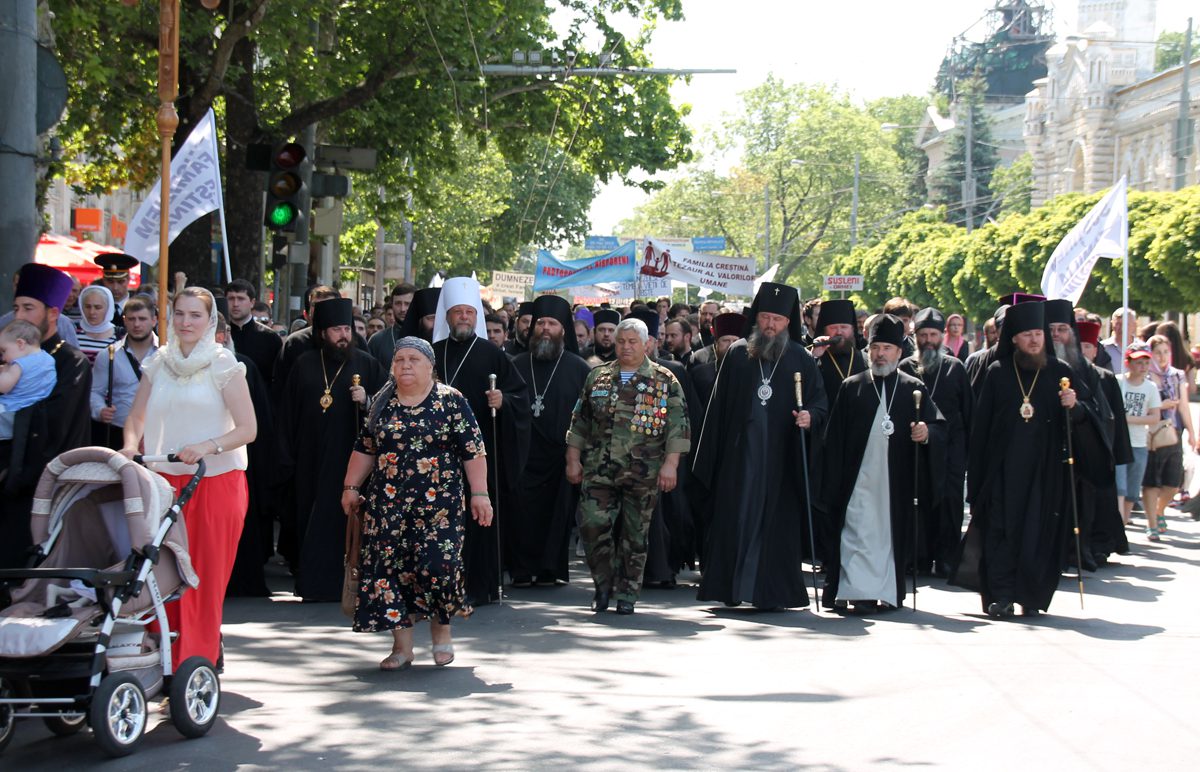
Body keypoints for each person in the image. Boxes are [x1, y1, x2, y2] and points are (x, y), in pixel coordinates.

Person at [120, 287, 257, 666]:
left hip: (214, 482)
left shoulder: (223, 363)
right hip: (163, 483)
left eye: (195, 315)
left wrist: (208, 445)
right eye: (179, 313)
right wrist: (129, 446)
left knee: (203, 577)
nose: (185, 322)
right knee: (161, 573)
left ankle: (195, 659)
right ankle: (161, 657)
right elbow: (136, 416)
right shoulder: (158, 362)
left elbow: (248, 428)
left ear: (209, 321)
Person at [341, 337, 492, 670]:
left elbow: (473, 450)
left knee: (438, 567)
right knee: (390, 574)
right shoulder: (383, 402)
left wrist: (480, 493)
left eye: (413, 359)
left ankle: (442, 635)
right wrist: (351, 486)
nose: (405, 365)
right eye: (399, 360)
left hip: (440, 508)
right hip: (387, 507)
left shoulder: (451, 401)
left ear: (430, 366)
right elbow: (366, 448)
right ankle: (402, 647)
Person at [692, 282, 828, 610]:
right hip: (739, 458)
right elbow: (717, 409)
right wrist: (710, 458)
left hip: (780, 459)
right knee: (736, 519)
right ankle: (730, 588)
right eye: (765, 317)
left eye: (777, 320)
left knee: (774, 525)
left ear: (788, 323)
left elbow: (820, 403)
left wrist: (809, 417)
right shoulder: (738, 353)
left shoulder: (800, 358)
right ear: (756, 318)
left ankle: (770, 594)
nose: (770, 325)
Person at [951, 301, 1079, 618]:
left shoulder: (1061, 373)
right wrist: (976, 479)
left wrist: (1074, 405)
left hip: (1045, 471)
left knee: (1038, 533)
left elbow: (1087, 420)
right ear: (1014, 339)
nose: (1034, 340)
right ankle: (1002, 596)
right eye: (1027, 335)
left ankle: (1031, 596)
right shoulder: (998, 372)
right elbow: (981, 429)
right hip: (1003, 471)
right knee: (1000, 532)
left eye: (1038, 334)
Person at [566, 318, 689, 615]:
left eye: (633, 342)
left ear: (646, 344)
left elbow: (678, 426)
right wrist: (572, 459)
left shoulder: (664, 379)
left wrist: (670, 465)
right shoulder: (598, 376)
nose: (626, 347)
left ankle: (627, 593)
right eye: (621, 341)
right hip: (599, 468)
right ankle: (602, 585)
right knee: (592, 526)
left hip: (642, 471)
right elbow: (580, 421)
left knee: (635, 535)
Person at [819, 315, 941, 612]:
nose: (880, 354)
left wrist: (926, 433)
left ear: (899, 352)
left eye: (887, 348)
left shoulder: (913, 388)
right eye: (875, 348)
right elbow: (833, 439)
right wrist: (831, 482)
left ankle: (885, 592)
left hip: (894, 482)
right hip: (857, 480)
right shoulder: (852, 386)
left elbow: (939, 426)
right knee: (856, 532)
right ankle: (858, 592)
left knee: (887, 537)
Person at [277, 298, 386, 600]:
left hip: (352, 459)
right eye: (336, 330)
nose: (343, 335)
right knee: (311, 519)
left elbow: (389, 410)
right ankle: (313, 585)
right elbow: (287, 414)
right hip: (310, 459)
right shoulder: (304, 364)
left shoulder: (366, 364)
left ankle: (350, 585)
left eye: (347, 329)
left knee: (348, 522)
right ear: (323, 333)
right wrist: (286, 458)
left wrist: (367, 401)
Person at [431, 277, 530, 604]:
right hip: (436, 453)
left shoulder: (492, 354)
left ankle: (477, 586)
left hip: (480, 452)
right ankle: (439, 586)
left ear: (476, 317)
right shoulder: (431, 354)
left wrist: (504, 401)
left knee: (477, 518)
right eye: (457, 312)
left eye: (469, 312)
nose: (463, 317)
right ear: (447, 316)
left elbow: (519, 398)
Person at [1, 264, 92, 568]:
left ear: (52, 313)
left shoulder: (71, 363)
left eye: (29, 308)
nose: (19, 316)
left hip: (38, 488)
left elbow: (56, 428)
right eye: (17, 308)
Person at [509, 295, 592, 586]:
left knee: (556, 515)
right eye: (540, 323)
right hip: (523, 455)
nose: (545, 328)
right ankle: (520, 570)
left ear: (563, 330)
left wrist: (577, 457)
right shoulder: (516, 364)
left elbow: (588, 416)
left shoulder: (579, 368)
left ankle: (549, 569)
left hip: (560, 456)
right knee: (520, 514)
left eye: (552, 323)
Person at [899, 307, 973, 577]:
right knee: (917, 503)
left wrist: (969, 454)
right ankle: (918, 558)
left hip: (951, 449)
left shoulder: (955, 367)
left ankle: (946, 558)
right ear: (914, 336)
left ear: (941, 336)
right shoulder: (905, 368)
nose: (928, 340)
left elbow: (969, 412)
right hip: (915, 447)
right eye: (923, 335)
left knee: (949, 503)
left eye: (933, 335)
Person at [1076, 321, 1132, 563]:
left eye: (1087, 346)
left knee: (1101, 501)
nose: (1083, 351)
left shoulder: (1106, 378)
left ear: (1096, 350)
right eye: (1078, 346)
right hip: (1074, 449)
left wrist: (1118, 452)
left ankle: (1100, 545)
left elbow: (1116, 417)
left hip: (1099, 449)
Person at [1143, 333, 1195, 538]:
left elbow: (1183, 405)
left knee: (1173, 483)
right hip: (1151, 432)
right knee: (1151, 481)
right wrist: (1160, 406)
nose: (1162, 356)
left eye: (1166, 352)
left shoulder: (1177, 375)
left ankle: (1159, 509)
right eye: (1158, 352)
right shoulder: (1145, 374)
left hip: (1173, 431)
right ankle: (1152, 523)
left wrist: (1192, 433)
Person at [90, 296, 158, 450]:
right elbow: (95, 391)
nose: (137, 324)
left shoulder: (167, 354)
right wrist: (100, 410)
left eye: (142, 319)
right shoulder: (108, 354)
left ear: (154, 320)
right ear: (124, 321)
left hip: (158, 431)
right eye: (132, 319)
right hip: (118, 432)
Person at [1115, 343, 1161, 532]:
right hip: (1118, 442)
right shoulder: (1118, 382)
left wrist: (1128, 419)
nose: (1143, 366)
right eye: (1138, 362)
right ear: (1128, 363)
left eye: (1146, 363)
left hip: (1139, 444)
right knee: (1119, 488)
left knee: (1132, 492)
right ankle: (1118, 528)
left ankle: (1123, 527)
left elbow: (1155, 417)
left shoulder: (1150, 388)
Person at [0, 321, 58, 438]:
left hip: (11, 409)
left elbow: (3, 387)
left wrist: (4, 371)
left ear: (20, 344)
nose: (3, 358)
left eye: (4, 351)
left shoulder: (19, 364)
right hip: (37, 413)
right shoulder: (49, 360)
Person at [226, 278, 282, 389]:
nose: (235, 304)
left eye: (241, 299)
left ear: (252, 303)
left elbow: (278, 378)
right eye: (231, 299)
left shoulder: (270, 338)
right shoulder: (218, 336)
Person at [811, 299, 865, 412]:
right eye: (833, 328)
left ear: (852, 329)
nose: (839, 332)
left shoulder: (865, 359)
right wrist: (814, 357)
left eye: (844, 327)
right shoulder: (815, 357)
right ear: (824, 330)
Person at [690, 312, 745, 409]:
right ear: (716, 344)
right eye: (725, 340)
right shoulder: (700, 373)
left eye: (735, 341)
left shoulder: (750, 373)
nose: (731, 345)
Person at [365, 282, 418, 369]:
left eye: (407, 304)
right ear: (392, 305)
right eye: (398, 303)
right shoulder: (377, 340)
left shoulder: (427, 336)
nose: (402, 309)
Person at [75, 285, 121, 364]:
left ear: (108, 308)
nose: (92, 312)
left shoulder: (120, 335)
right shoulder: (72, 331)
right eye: (88, 307)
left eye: (98, 307)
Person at [94, 252, 138, 325]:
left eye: (120, 282)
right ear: (103, 280)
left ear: (128, 279)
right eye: (110, 282)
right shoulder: (95, 306)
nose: (115, 288)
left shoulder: (139, 306)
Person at [1100, 307, 1136, 375]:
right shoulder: (1102, 348)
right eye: (1118, 324)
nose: (1122, 328)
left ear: (1134, 325)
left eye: (1126, 324)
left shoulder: (1143, 348)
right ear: (1112, 325)